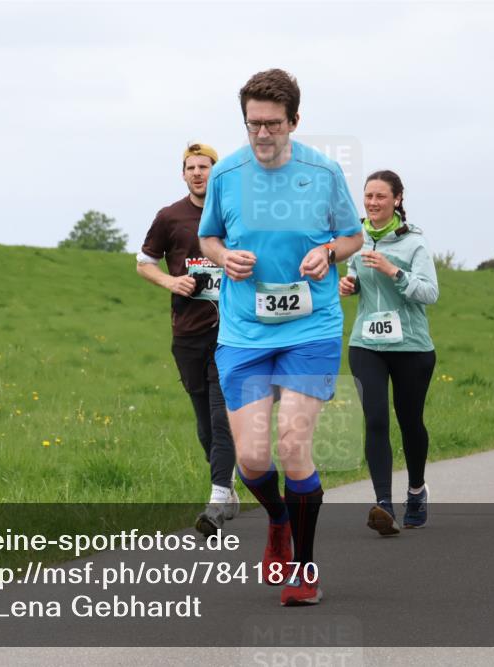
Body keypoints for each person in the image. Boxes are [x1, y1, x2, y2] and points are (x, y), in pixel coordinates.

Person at [198, 69, 363, 606]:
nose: (262, 135)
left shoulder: (323, 172)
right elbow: (209, 236)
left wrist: (329, 252)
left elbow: (353, 234)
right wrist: (225, 258)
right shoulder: (226, 172)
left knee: (293, 447)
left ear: (294, 120)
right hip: (244, 333)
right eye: (253, 125)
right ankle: (276, 520)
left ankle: (305, 568)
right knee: (251, 460)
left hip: (309, 328)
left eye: (273, 124)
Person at [137, 142, 239, 537]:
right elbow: (144, 262)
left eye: (205, 167)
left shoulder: (232, 212)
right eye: (191, 167)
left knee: (220, 414)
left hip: (230, 331)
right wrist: (170, 280)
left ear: (216, 173)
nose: (198, 173)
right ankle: (227, 487)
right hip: (187, 331)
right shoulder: (170, 216)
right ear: (183, 174)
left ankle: (215, 501)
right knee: (204, 423)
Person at [339, 170, 439, 535]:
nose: (373, 202)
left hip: (411, 346)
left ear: (397, 199)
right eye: (368, 196)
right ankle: (383, 504)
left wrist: (395, 272)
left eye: (381, 196)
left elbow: (430, 293)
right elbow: (352, 276)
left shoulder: (415, 242)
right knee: (376, 418)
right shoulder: (356, 238)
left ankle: (416, 490)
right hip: (367, 343)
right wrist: (348, 285)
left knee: (410, 421)